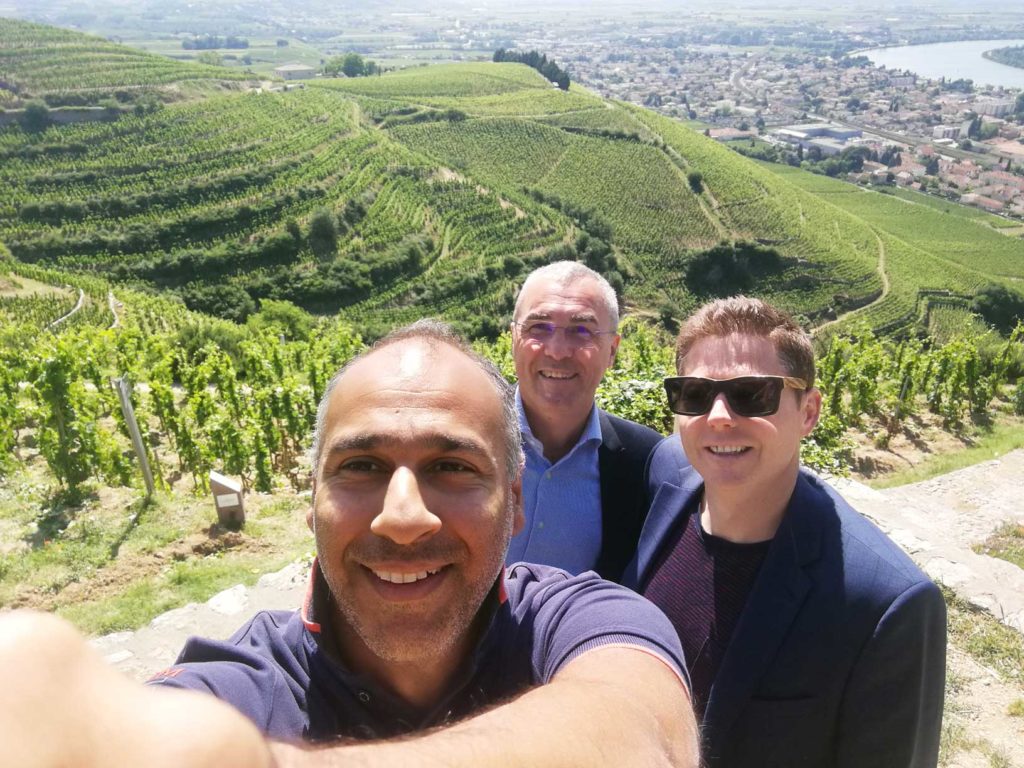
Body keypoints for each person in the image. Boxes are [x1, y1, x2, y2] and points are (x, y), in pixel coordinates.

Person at [0, 320, 698, 768]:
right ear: (311, 505)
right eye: (360, 467)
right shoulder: (236, 684)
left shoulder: (586, 621)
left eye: (451, 467)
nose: (401, 517)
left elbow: (639, 737)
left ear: (514, 504)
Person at [622, 297, 946, 768]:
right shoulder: (666, 473)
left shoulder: (886, 605)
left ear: (809, 412)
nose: (718, 416)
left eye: (752, 394)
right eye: (694, 393)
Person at [508, 261, 662, 580]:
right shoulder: (458, 433)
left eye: (581, 331)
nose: (558, 351)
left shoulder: (644, 463)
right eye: (538, 327)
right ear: (513, 339)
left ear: (612, 351)